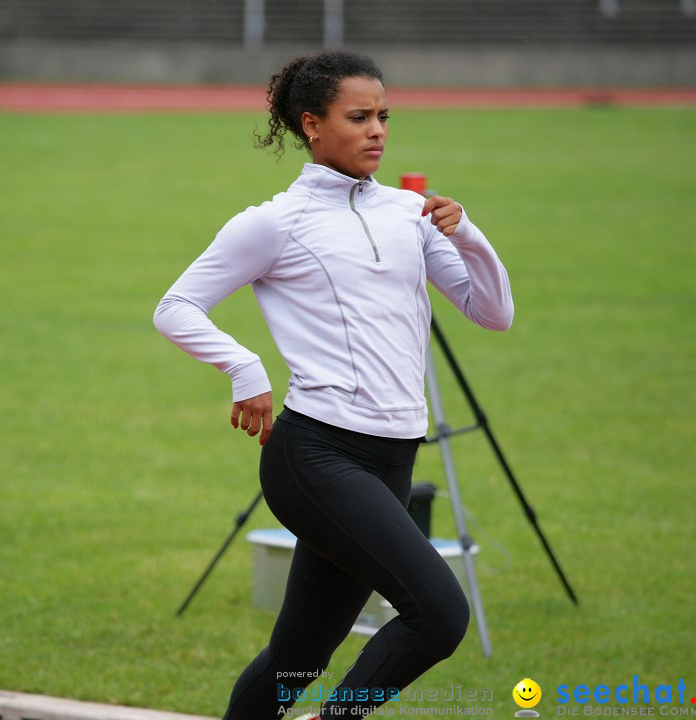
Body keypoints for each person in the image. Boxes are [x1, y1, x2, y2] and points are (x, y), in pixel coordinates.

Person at [153, 50, 513, 720]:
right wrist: (245, 370)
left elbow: (493, 313)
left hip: (393, 458)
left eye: (383, 115)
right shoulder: (274, 223)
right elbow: (174, 307)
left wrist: (469, 236)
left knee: (298, 660)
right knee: (438, 615)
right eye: (359, 117)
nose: (378, 129)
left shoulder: (411, 213)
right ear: (312, 125)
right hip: (315, 455)